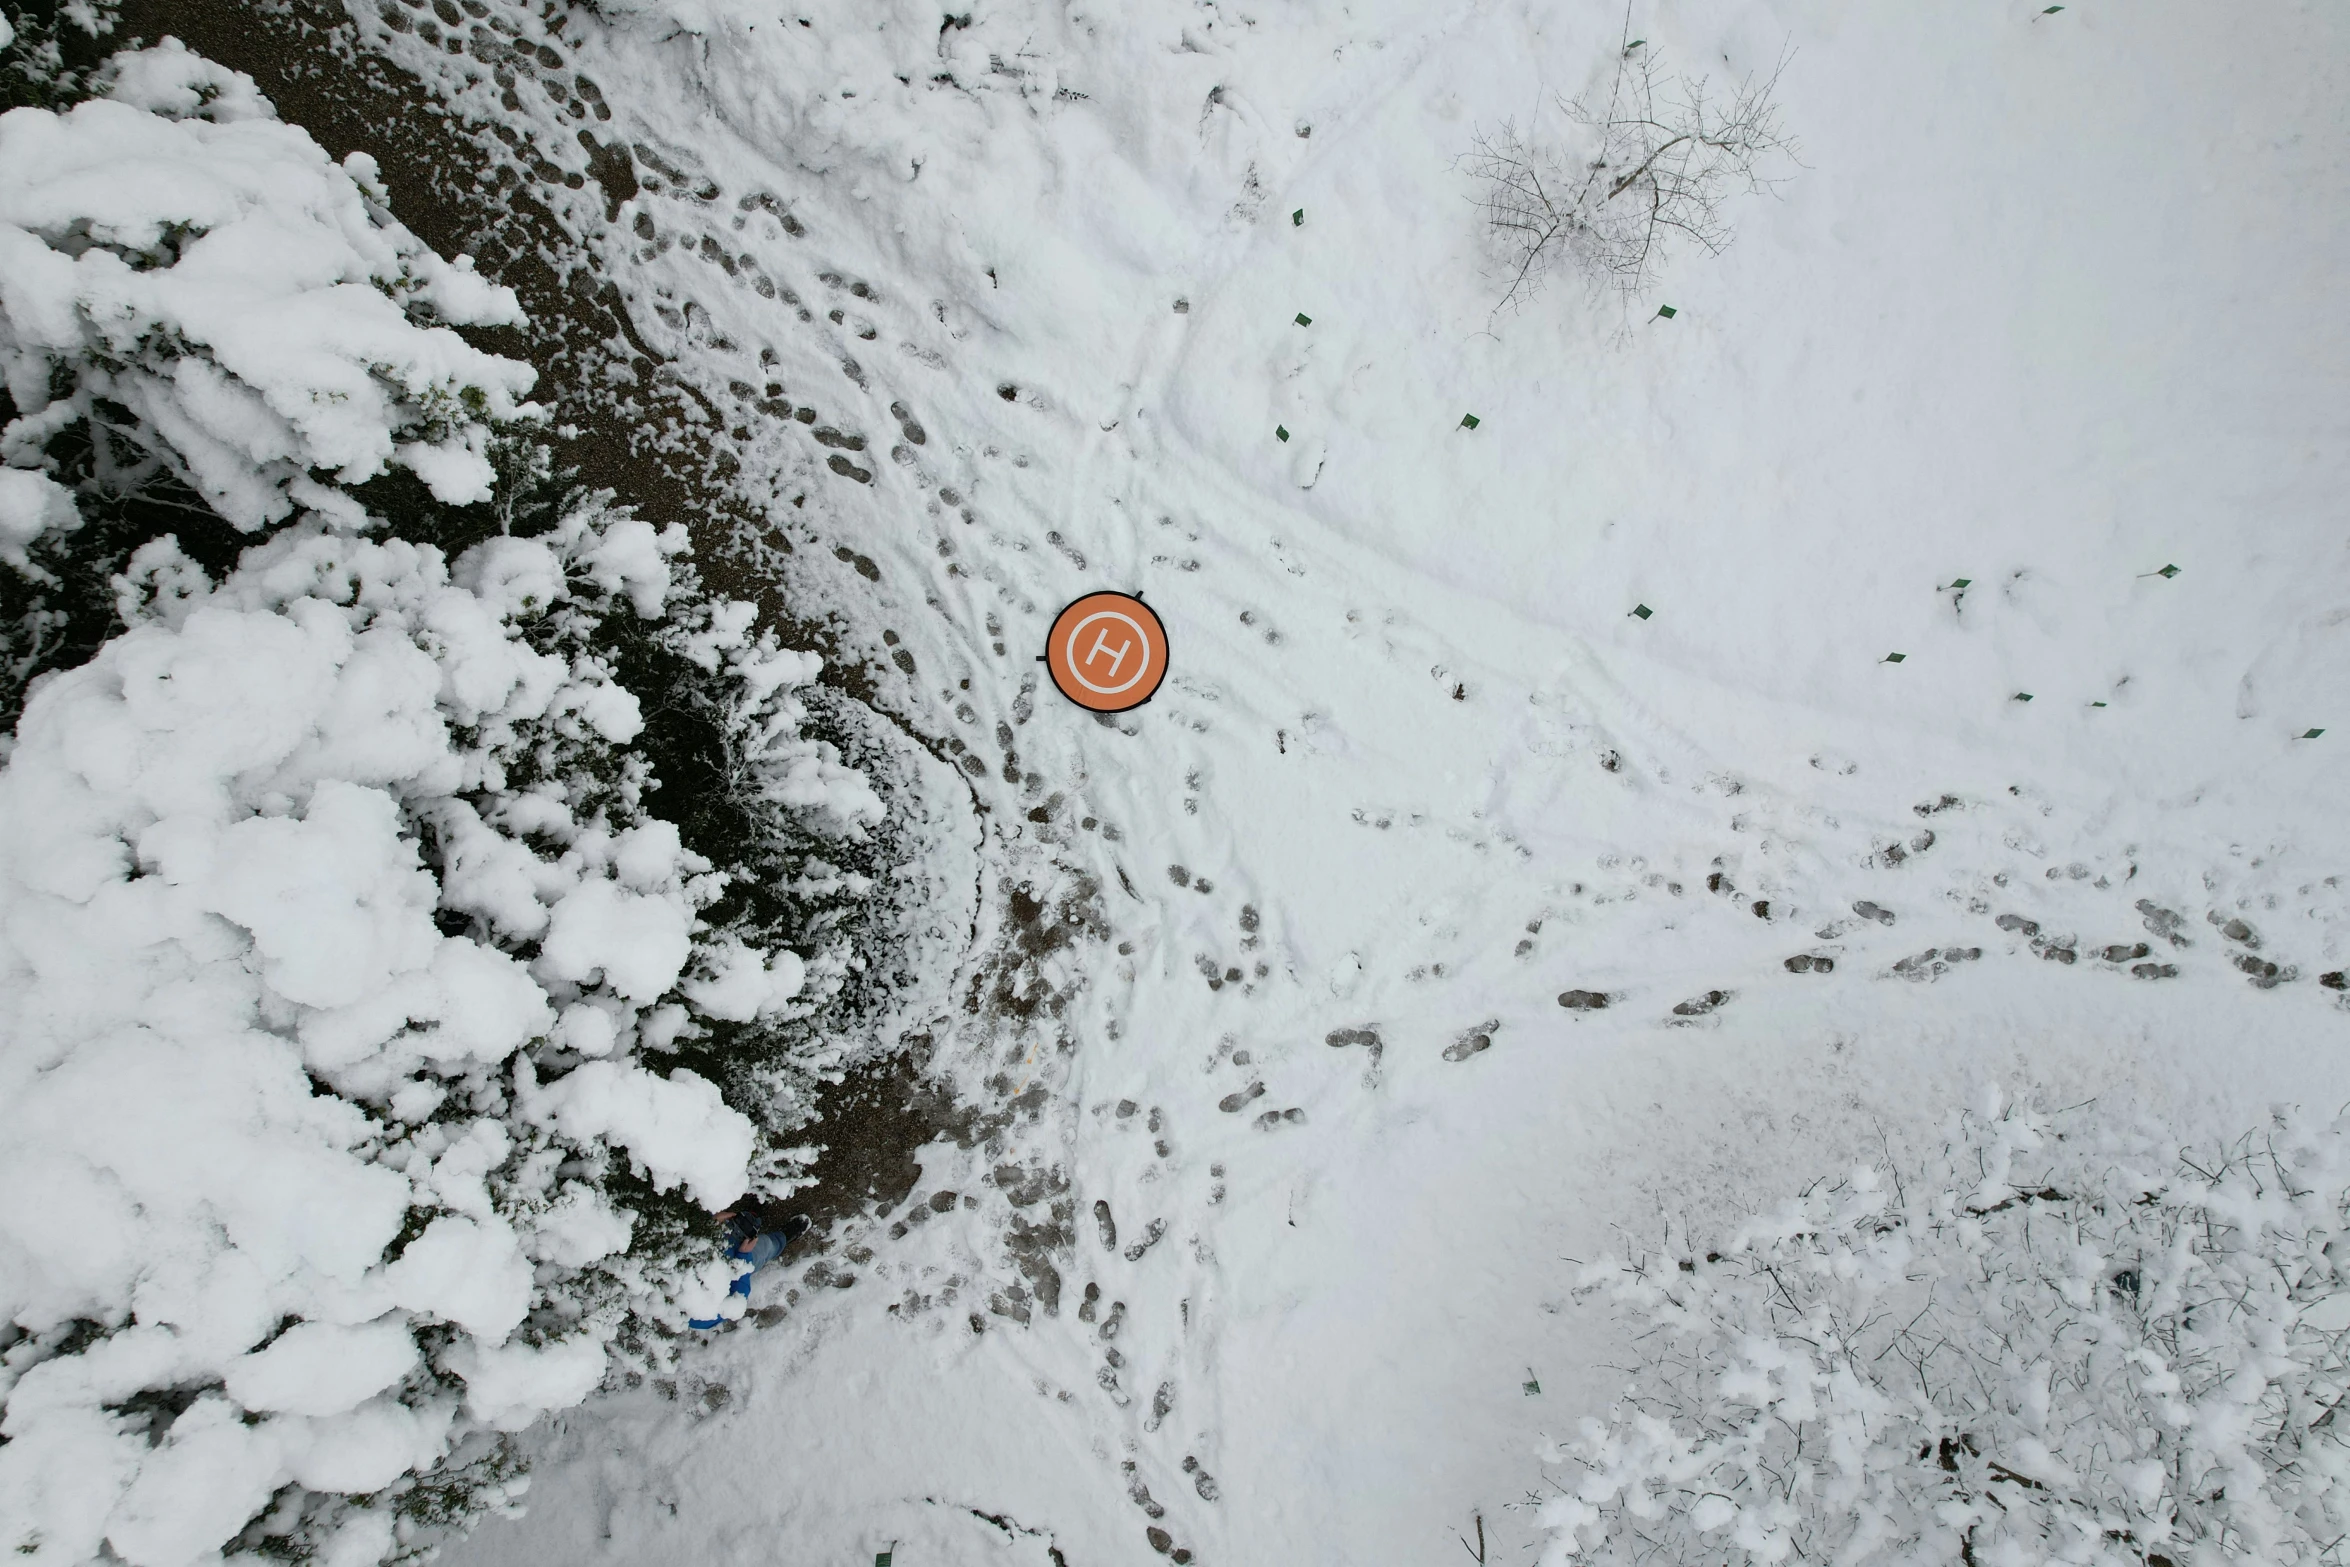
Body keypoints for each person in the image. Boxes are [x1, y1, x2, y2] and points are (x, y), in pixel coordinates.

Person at [687, 1208, 809, 1330]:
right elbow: (737, 1297)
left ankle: (751, 1213)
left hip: (717, 1235)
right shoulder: (699, 1317)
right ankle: (783, 1237)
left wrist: (709, 1224)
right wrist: (743, 1257)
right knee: (764, 1247)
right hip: (738, 1260)